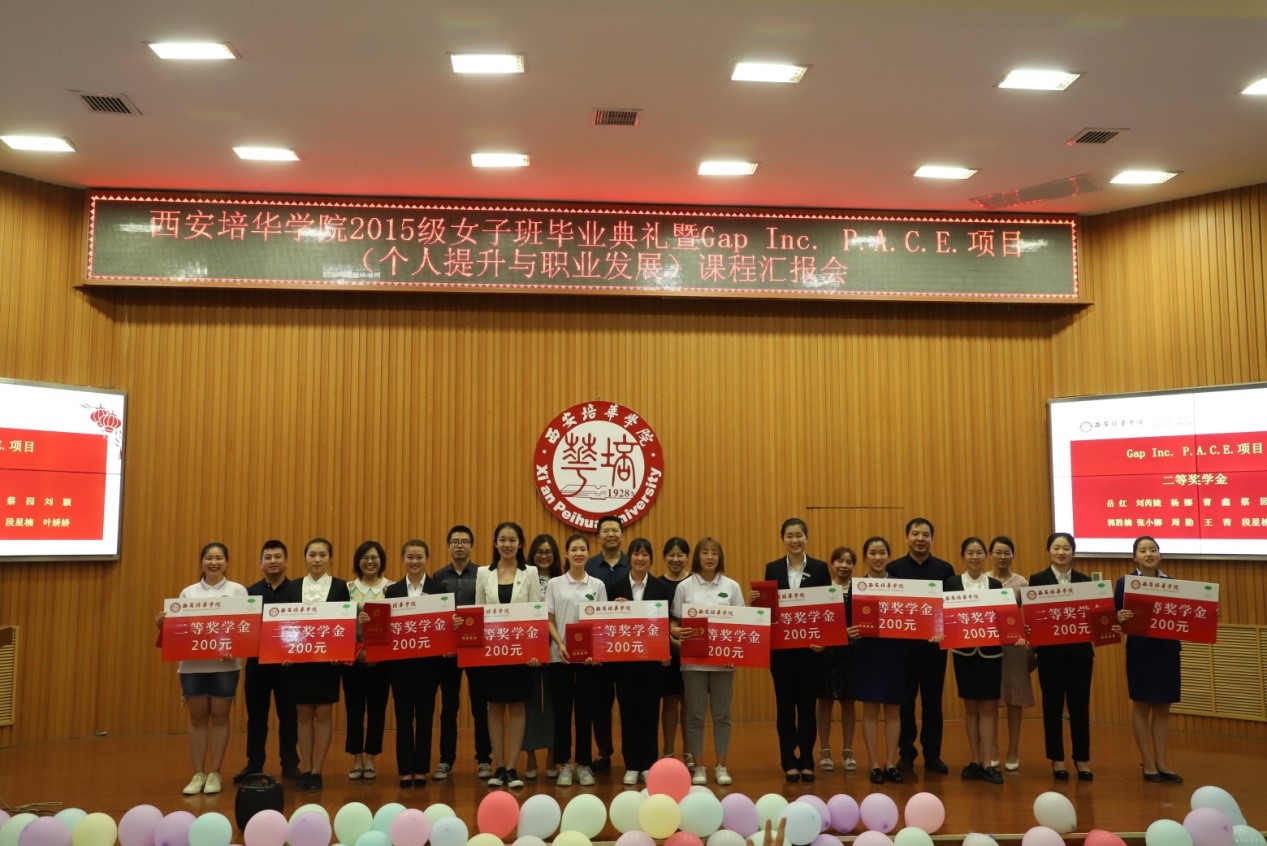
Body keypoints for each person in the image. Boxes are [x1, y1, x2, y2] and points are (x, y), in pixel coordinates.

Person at [155, 542, 248, 796]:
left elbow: (245, 628)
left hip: (225, 666)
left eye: (219, 558)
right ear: (202, 562)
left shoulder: (238, 590)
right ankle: (198, 773)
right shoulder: (188, 592)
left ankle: (215, 773)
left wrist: (235, 646)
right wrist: (163, 625)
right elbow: (180, 630)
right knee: (197, 719)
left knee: (220, 717)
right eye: (209, 558)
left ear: (227, 561)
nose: (214, 563)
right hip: (192, 667)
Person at [754, 517, 831, 782]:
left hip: (811, 652)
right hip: (782, 653)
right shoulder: (772, 568)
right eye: (789, 536)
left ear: (806, 537)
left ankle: (807, 759)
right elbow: (769, 610)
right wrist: (757, 603)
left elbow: (827, 608)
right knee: (785, 707)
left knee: (807, 707)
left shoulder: (820, 568)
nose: (794, 540)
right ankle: (788, 760)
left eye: (799, 535)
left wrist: (824, 641)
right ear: (783, 539)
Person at [474, 521, 544, 789]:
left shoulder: (531, 572)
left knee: (516, 707)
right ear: (495, 543)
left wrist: (535, 651)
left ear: (520, 543)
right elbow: (478, 611)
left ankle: (513, 768)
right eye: (502, 540)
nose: (507, 544)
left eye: (512, 540)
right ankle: (499, 766)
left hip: (521, 653)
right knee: (493, 707)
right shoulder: (484, 573)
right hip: (492, 653)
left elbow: (537, 611)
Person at [670, 537, 743, 787]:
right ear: (698, 557)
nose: (710, 557)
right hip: (693, 663)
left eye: (714, 552)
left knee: (722, 716)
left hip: (724, 663)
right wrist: (675, 631)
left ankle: (721, 765)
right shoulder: (685, 587)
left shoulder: (732, 586)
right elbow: (675, 621)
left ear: (720, 557)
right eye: (705, 552)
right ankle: (699, 766)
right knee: (695, 716)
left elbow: (741, 624)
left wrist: (735, 654)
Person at [886, 517, 954, 773]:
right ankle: (906, 753)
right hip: (902, 650)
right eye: (915, 534)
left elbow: (950, 608)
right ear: (907, 538)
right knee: (905, 703)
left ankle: (933, 755)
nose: (920, 539)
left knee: (932, 704)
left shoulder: (944, 569)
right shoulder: (894, 568)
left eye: (925, 534)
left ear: (931, 539)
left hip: (934, 649)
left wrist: (941, 630)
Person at [284, 537, 351, 792]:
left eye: (323, 555)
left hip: (327, 662)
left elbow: (345, 623)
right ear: (305, 558)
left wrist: (340, 651)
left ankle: (317, 770)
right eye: (312, 554)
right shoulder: (293, 587)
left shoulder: (340, 586)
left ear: (330, 559)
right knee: (303, 714)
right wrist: (285, 652)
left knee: (323, 713)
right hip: (299, 661)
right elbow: (285, 626)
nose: (317, 559)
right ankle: (306, 767)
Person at [1115, 535, 1183, 783]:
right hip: (1140, 650)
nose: (1148, 554)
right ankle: (1148, 762)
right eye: (1143, 550)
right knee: (1142, 706)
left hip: (1167, 651)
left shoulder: (1172, 584)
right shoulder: (1125, 583)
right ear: (1135, 557)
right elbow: (1113, 617)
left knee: (1163, 708)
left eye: (1153, 549)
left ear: (1159, 554)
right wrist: (1118, 617)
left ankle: (1162, 762)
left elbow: (1184, 616)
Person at [1028, 531, 1094, 781]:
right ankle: (1057, 758)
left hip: (1080, 654)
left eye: (1066, 548)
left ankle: (1081, 758)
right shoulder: (1037, 580)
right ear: (1048, 551)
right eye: (1056, 548)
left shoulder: (1085, 581)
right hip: (1050, 655)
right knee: (1052, 707)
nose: (1061, 552)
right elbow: (1034, 617)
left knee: (1080, 707)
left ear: (1073, 552)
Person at [946, 537, 1012, 785]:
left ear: (986, 556)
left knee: (988, 709)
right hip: (964, 655)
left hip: (991, 655)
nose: (974, 557)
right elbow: (944, 617)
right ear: (963, 556)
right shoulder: (952, 583)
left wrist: (1015, 633)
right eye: (970, 552)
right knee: (970, 708)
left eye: (979, 552)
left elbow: (1005, 621)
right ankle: (974, 760)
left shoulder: (996, 585)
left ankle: (987, 763)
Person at [608, 537, 673, 785]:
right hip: (625, 662)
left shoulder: (660, 587)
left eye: (645, 554)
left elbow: (665, 623)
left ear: (651, 559)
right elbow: (608, 624)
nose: (640, 558)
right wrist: (616, 609)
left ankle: (648, 763)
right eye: (636, 554)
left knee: (649, 712)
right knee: (628, 712)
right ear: (629, 558)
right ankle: (631, 764)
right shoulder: (615, 587)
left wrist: (665, 650)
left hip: (652, 664)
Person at [546, 533, 608, 786]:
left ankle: (583, 764)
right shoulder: (555, 584)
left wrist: (596, 651)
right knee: (561, 713)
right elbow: (548, 619)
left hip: (588, 661)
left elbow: (602, 621)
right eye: (574, 549)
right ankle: (563, 764)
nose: (579, 553)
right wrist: (560, 644)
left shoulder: (598, 585)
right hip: (559, 657)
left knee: (585, 712)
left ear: (588, 554)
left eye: (583, 549)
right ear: (566, 554)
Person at [848, 537, 911, 784]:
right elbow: (848, 619)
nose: (877, 557)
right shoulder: (857, 586)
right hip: (868, 654)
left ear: (889, 556)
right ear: (865, 557)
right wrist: (849, 630)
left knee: (894, 711)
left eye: (882, 552)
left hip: (896, 654)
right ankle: (874, 764)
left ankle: (891, 763)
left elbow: (913, 618)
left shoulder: (900, 586)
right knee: (870, 710)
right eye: (873, 553)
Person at [237, 539, 300, 783]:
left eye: (277, 557)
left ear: (286, 561)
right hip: (257, 665)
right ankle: (254, 765)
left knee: (289, 717)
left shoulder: (297, 590)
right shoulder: (249, 593)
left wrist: (293, 653)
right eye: (268, 557)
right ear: (261, 563)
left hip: (288, 666)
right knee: (256, 718)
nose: (273, 561)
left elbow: (302, 627)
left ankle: (290, 764)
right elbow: (242, 629)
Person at [433, 524, 493, 781]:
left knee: (480, 706)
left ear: (471, 546)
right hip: (447, 653)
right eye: (455, 541)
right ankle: (446, 760)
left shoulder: (483, 574)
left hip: (476, 649)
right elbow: (435, 615)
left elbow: (488, 608)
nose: (459, 545)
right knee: (449, 707)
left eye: (464, 541)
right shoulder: (438, 576)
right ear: (448, 546)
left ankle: (484, 759)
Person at [385, 539, 447, 787]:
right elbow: (385, 629)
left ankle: (421, 768)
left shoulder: (438, 588)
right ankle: (405, 769)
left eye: (419, 557)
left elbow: (444, 625)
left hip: (429, 667)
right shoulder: (392, 591)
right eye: (410, 557)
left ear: (426, 559)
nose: (414, 561)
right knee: (402, 718)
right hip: (399, 667)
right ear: (403, 559)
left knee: (425, 717)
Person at [585, 514, 630, 773]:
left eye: (615, 530)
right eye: (606, 531)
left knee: (629, 702)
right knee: (599, 704)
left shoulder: (633, 563)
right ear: (598, 536)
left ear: (623, 535)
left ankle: (631, 753)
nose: (611, 534)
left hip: (628, 647)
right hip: (598, 648)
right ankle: (603, 752)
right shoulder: (588, 566)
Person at [342, 540, 391, 781]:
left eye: (374, 558)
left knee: (377, 710)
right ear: (358, 561)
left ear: (381, 561)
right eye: (365, 558)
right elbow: (339, 625)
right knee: (354, 710)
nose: (370, 562)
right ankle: (357, 759)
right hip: (353, 662)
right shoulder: (347, 588)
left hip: (381, 663)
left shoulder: (391, 588)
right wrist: (355, 625)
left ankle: (371, 758)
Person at [987, 535, 1033, 771]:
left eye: (1007, 552)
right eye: (998, 552)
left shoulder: (1022, 583)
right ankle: (992, 747)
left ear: (1013, 556)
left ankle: (1013, 749)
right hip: (988, 645)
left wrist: (1027, 631)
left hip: (1014, 647)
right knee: (990, 699)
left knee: (1015, 700)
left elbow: (1031, 615)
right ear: (990, 555)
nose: (1002, 557)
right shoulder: (983, 580)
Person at [524, 533, 562, 779]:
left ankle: (552, 755)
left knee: (553, 702)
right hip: (528, 645)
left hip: (556, 647)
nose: (544, 556)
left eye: (548, 552)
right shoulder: (523, 577)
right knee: (529, 702)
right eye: (539, 552)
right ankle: (529, 756)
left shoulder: (562, 580)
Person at [817, 545, 857, 774]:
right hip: (826, 653)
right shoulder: (823, 590)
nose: (844, 565)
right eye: (839, 561)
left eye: (848, 561)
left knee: (848, 702)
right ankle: (824, 750)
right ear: (832, 564)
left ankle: (848, 750)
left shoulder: (860, 589)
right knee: (824, 701)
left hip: (851, 653)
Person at [659, 537, 691, 765]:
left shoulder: (695, 582)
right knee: (670, 702)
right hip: (667, 655)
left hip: (693, 653)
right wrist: (669, 643)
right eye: (671, 555)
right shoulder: (658, 584)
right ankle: (668, 751)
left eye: (680, 555)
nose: (675, 559)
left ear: (687, 557)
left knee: (690, 703)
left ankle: (689, 752)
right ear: (664, 557)